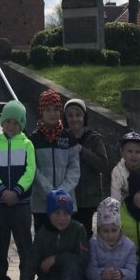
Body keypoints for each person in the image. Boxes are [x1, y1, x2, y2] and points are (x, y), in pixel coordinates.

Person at [13, 188, 89, 280]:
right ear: (49, 213)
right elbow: (30, 267)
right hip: (49, 278)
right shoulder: (42, 234)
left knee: (71, 266)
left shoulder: (78, 230)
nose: (62, 218)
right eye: (57, 213)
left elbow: (84, 259)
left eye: (66, 213)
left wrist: (57, 259)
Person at [0, 99, 35, 266]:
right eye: (8, 122)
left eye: (15, 122)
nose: (11, 126)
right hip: (1, 204)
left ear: (21, 124)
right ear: (2, 122)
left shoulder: (28, 144)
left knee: (25, 247)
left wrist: (18, 191)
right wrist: (2, 190)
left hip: (22, 204)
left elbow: (30, 170)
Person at [29, 90, 80, 231]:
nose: (52, 114)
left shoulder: (68, 137)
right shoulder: (34, 138)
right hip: (42, 202)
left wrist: (63, 191)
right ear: (41, 112)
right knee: (43, 241)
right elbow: (33, 168)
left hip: (66, 200)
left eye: (56, 109)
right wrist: (49, 192)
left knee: (66, 241)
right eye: (48, 110)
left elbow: (74, 167)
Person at [82, 197, 140, 280]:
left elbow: (132, 272)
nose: (110, 235)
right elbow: (89, 270)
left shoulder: (129, 245)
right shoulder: (93, 243)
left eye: (114, 230)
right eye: (105, 231)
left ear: (120, 229)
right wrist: (101, 274)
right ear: (99, 230)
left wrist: (121, 274)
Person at [62, 98, 109, 237]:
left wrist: (82, 151)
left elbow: (103, 165)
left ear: (84, 117)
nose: (74, 119)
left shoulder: (94, 138)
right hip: (69, 195)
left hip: (88, 198)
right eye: (70, 115)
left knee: (84, 233)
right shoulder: (62, 138)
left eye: (78, 115)